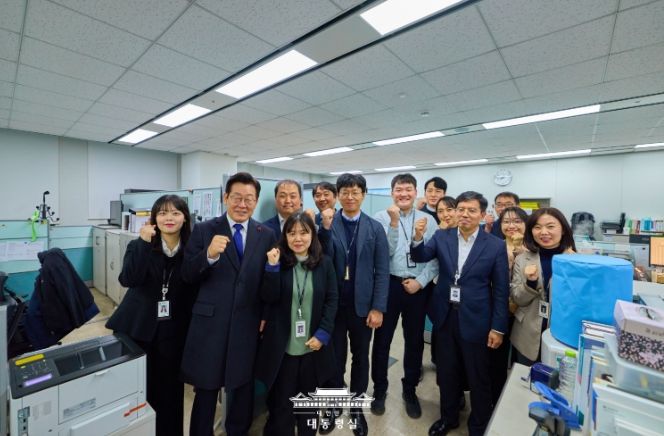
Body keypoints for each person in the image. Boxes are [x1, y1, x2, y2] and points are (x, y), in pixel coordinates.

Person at [181, 172, 277, 436]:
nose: (242, 204)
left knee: (241, 386)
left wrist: (265, 315)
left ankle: (237, 431)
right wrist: (209, 255)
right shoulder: (204, 230)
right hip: (210, 323)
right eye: (237, 197)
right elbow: (187, 275)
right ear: (225, 198)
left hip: (247, 323)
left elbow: (268, 282)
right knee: (207, 388)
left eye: (249, 199)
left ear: (256, 201)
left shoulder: (266, 234)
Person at [411, 191, 509, 436]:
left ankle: (478, 425)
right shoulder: (442, 236)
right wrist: (418, 237)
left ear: (482, 215)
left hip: (477, 319)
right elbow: (420, 255)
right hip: (445, 316)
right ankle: (449, 418)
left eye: (471, 210)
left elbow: (500, 290)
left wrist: (498, 328)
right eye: (461, 209)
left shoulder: (495, 245)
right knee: (447, 372)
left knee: (478, 376)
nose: (464, 214)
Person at [106, 194, 196, 436]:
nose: (169, 218)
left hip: (173, 331)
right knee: (137, 390)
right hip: (138, 327)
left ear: (185, 218)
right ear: (154, 218)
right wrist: (144, 243)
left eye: (176, 213)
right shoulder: (139, 245)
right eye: (163, 213)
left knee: (170, 392)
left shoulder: (191, 250)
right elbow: (128, 279)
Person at [318, 173, 389, 436]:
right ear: (338, 196)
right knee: (334, 357)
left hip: (363, 306)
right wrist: (325, 230)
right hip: (334, 306)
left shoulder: (374, 228)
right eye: (345, 192)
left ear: (363, 195)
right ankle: (334, 403)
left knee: (360, 357)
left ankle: (357, 407)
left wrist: (378, 307)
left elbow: (382, 270)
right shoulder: (327, 223)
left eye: (355, 192)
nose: (350, 197)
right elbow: (321, 259)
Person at [256, 212, 338, 436]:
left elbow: (332, 300)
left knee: (309, 405)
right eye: (292, 233)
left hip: (312, 346)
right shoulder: (279, 263)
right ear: (285, 236)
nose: (298, 238)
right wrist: (271, 267)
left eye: (304, 232)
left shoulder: (324, 263)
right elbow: (268, 297)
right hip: (284, 348)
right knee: (282, 404)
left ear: (313, 235)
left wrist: (323, 333)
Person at [371, 173, 438, 419]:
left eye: (408, 189)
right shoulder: (379, 218)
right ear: (392, 193)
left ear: (415, 192)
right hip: (389, 285)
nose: (403, 194)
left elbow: (435, 258)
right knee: (382, 341)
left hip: (417, 288)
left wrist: (420, 282)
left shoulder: (429, 220)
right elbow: (382, 254)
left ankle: (409, 390)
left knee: (414, 342)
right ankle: (379, 390)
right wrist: (393, 223)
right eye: (399, 190)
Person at [510, 208, 576, 366]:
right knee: (525, 375)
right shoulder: (522, 259)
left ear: (563, 229)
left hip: (562, 333)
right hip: (527, 332)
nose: (544, 232)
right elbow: (517, 298)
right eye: (537, 227)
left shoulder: (575, 261)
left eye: (550, 226)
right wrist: (530, 283)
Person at [500, 207, 528, 273]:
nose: (511, 226)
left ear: (526, 224)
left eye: (517, 221)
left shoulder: (534, 248)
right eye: (506, 222)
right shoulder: (494, 248)